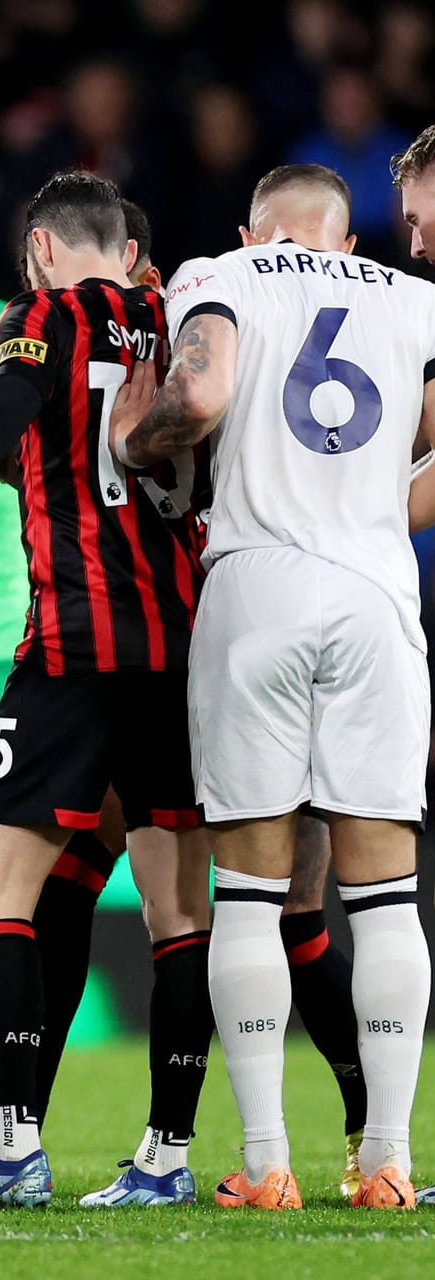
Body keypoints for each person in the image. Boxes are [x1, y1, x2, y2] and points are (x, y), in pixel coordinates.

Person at [111, 162, 435, 1212]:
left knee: (248, 890)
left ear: (256, 231)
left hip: (257, 587)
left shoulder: (227, 274)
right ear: (348, 241)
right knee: (382, 892)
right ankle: (387, 1160)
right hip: (378, 597)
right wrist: (379, 504)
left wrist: (135, 439)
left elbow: (195, 397)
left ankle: (265, 1162)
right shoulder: (416, 299)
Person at [0, 172, 211, 1210]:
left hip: (68, 647)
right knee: (179, 911)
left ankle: (12, 1145)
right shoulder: (185, 322)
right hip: (183, 651)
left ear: (44, 251)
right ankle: (167, 1154)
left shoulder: (42, 315)